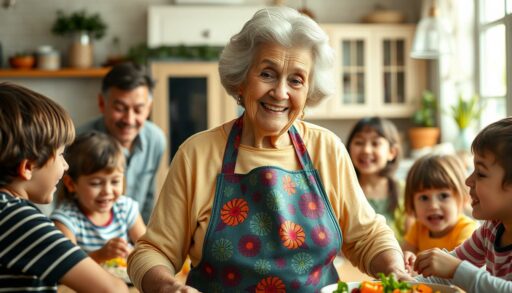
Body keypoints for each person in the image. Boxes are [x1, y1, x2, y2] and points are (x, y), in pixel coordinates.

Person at [127, 7, 409, 292]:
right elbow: (152, 251)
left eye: (296, 80)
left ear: (309, 91)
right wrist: (166, 287)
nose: (280, 92)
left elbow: (368, 237)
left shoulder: (327, 149)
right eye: (267, 74)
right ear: (241, 80)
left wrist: (395, 270)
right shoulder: (197, 154)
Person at [0, 82, 128, 292]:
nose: (66, 165)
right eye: (60, 155)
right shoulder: (17, 219)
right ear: (28, 167)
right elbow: (113, 290)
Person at [409, 117, 512, 292]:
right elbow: (442, 276)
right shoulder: (490, 230)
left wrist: (457, 269)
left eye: (480, 173)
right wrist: (402, 285)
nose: (468, 181)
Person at [78, 62, 166, 223]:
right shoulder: (79, 141)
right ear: (102, 103)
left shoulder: (156, 140)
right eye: (120, 108)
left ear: (149, 108)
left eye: (138, 109)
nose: (129, 119)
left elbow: (148, 199)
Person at [51, 131, 146, 265]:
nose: (107, 191)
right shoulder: (65, 220)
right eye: (96, 183)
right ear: (71, 184)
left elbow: (148, 250)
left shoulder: (126, 208)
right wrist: (100, 255)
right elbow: (67, 266)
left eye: (115, 182)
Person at [346, 116, 407, 240]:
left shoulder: (404, 191)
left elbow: (412, 239)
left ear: (392, 152)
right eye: (359, 142)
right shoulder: (343, 190)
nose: (366, 150)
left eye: (375, 143)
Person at [402, 154, 477, 254]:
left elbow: (459, 265)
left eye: (443, 196)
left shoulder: (468, 230)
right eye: (424, 198)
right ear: (412, 202)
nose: (433, 205)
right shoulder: (418, 228)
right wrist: (407, 257)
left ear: (463, 197)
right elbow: (403, 255)